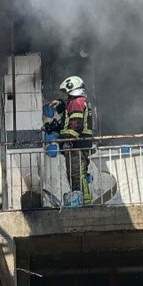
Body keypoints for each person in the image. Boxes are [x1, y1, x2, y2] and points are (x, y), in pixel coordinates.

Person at [44, 75, 95, 207]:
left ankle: (86, 203)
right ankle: (79, 201)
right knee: (74, 176)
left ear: (72, 90)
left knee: (78, 175)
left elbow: (75, 126)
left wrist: (61, 137)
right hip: (78, 145)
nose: (66, 96)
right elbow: (68, 120)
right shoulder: (79, 102)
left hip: (76, 146)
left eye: (66, 93)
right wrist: (56, 127)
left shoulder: (76, 103)